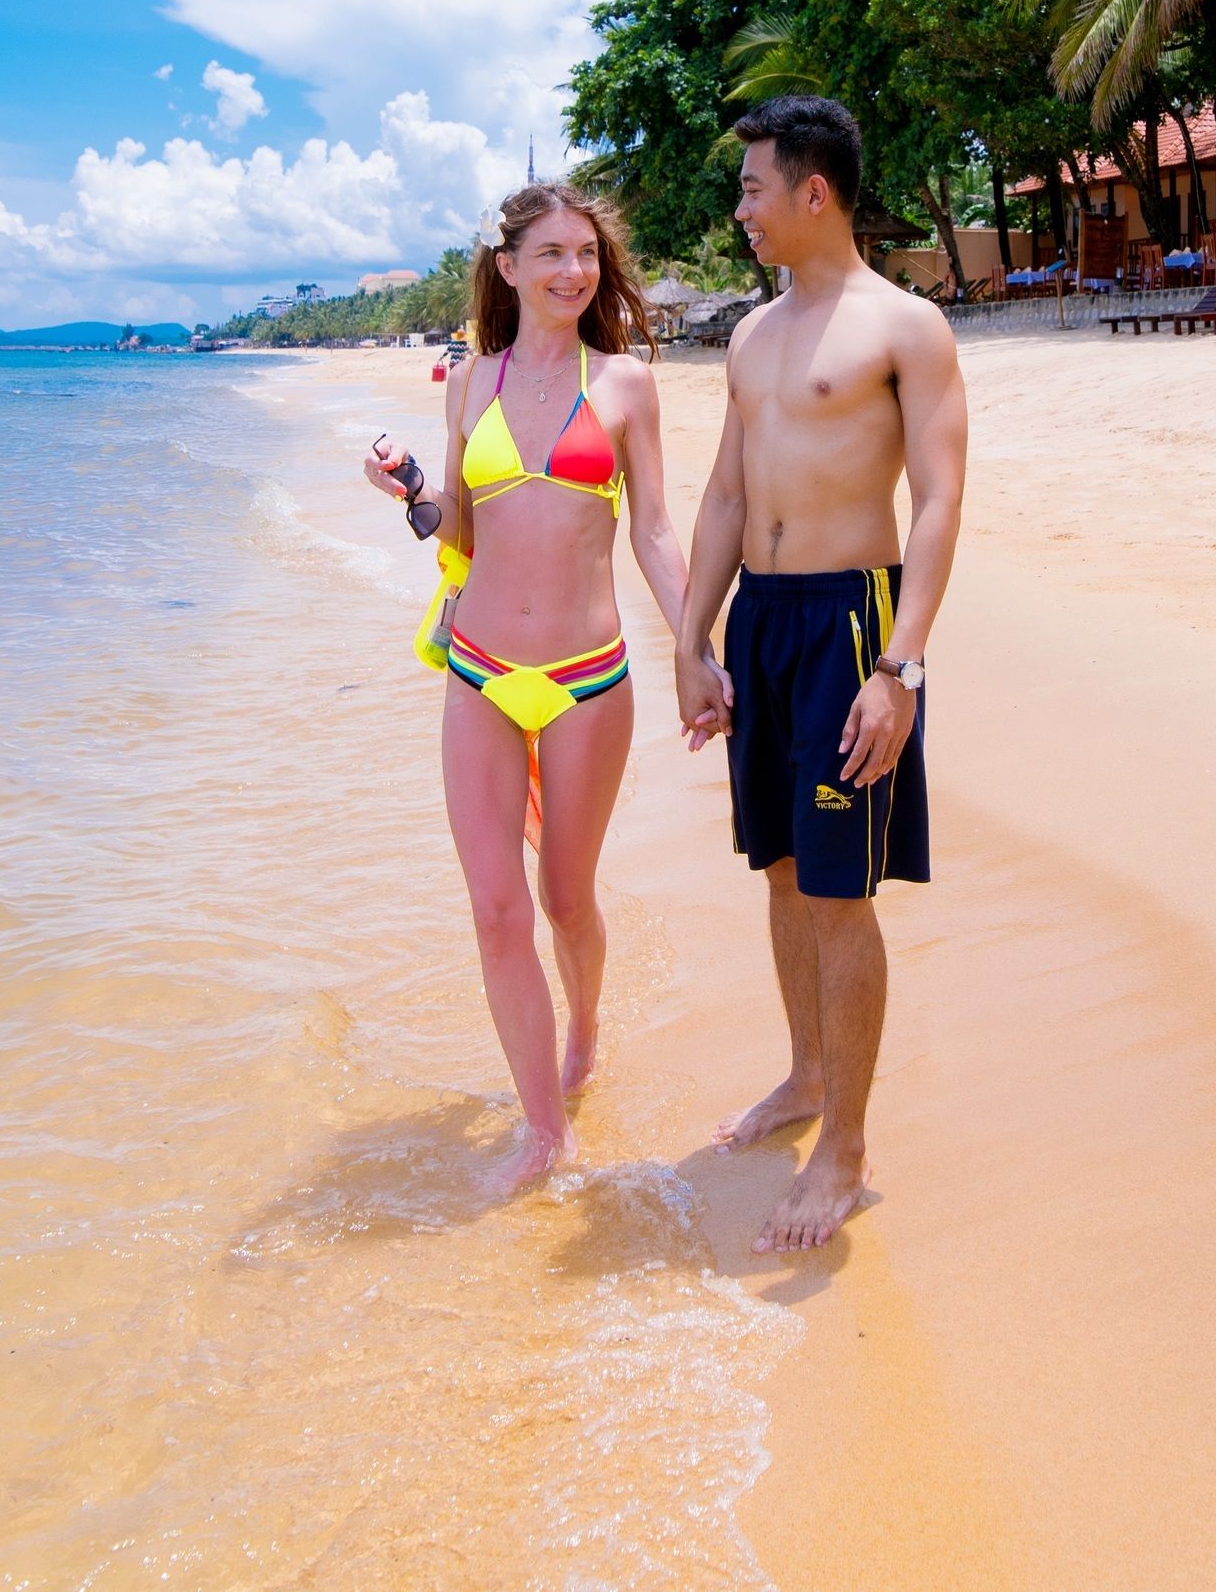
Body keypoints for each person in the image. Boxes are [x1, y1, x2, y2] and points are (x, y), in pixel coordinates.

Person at [675, 95, 968, 1254]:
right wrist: (694, 640)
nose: (739, 208)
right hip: (764, 620)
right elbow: (725, 495)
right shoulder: (751, 336)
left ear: (813, 191)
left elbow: (940, 500)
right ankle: (805, 1076)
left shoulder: (906, 326)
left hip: (857, 622)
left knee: (841, 888)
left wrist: (901, 663)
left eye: (753, 187)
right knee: (786, 868)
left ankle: (846, 1149)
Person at [363, 183, 689, 1191]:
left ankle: (585, 1015)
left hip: (590, 681)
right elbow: (463, 528)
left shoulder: (627, 384)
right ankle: (546, 1131)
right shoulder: (469, 384)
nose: (571, 272)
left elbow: (653, 532)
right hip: (482, 674)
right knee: (498, 908)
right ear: (508, 268)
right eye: (549, 254)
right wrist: (413, 490)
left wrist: (698, 647)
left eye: (585, 254)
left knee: (563, 895)